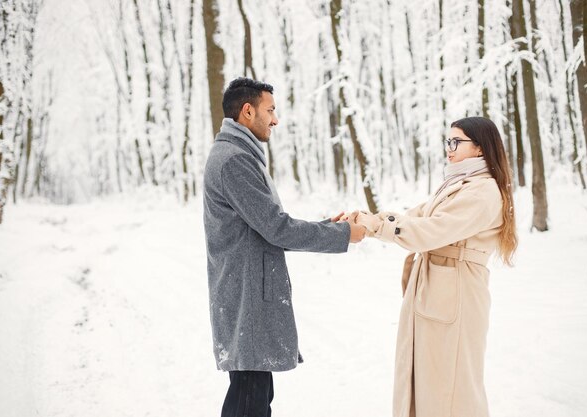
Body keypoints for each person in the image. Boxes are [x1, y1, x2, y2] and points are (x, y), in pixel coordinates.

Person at [203, 77, 366, 417]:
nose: (275, 119)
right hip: (246, 296)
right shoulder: (235, 160)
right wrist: (342, 235)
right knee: (250, 400)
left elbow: (267, 223)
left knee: (254, 397)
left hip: (248, 295)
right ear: (248, 111)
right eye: (270, 110)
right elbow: (276, 228)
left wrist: (330, 227)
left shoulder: (239, 154)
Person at [354, 117, 518, 417]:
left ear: (480, 149)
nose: (449, 148)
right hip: (438, 294)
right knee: (431, 385)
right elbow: (417, 217)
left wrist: (378, 225)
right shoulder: (458, 185)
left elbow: (431, 231)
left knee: (453, 391)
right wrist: (370, 221)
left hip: (457, 297)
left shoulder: (483, 192)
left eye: (456, 142)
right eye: (448, 141)